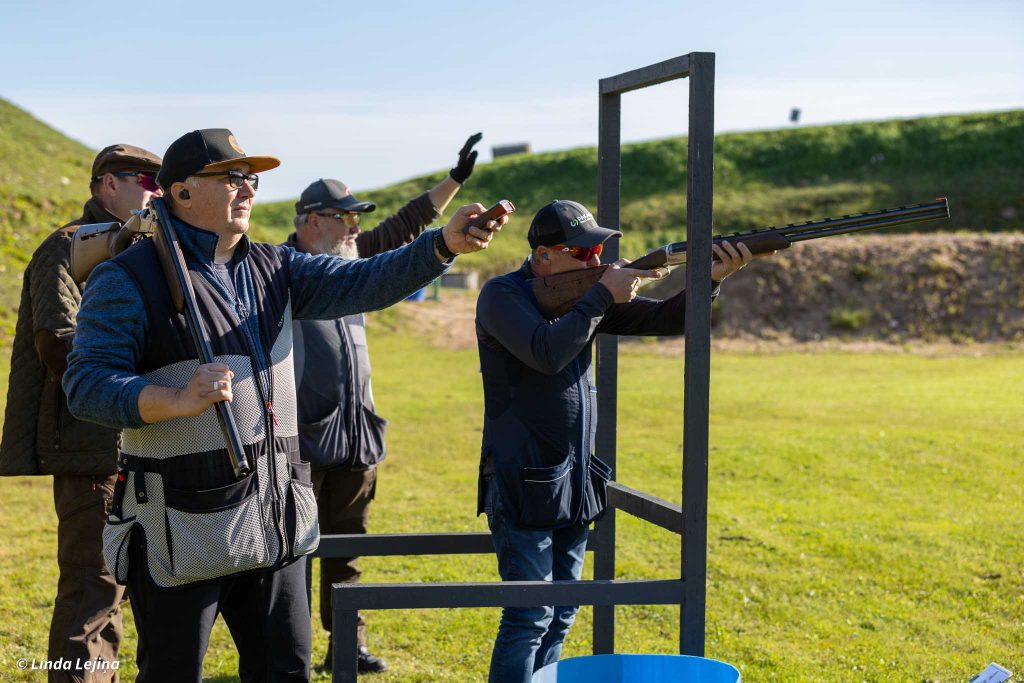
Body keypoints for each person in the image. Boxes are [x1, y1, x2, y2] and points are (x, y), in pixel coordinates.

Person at [62, 128, 505, 682]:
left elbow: (367, 278)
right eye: (231, 177)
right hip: (180, 524)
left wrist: (443, 245)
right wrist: (172, 399)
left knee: (286, 672)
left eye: (250, 178)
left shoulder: (276, 267)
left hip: (276, 518)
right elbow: (87, 385)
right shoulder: (125, 277)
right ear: (179, 192)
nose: (247, 189)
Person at [474, 200, 759, 682]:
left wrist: (710, 278)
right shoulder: (502, 296)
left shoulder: (580, 300)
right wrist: (602, 295)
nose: (595, 260)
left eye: (598, 250)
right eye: (582, 253)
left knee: (562, 612)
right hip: (521, 478)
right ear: (543, 256)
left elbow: (667, 318)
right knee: (529, 615)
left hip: (573, 477)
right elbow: (547, 352)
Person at [287, 133, 482, 673]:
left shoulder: (351, 259)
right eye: (343, 218)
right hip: (300, 438)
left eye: (355, 219)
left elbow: (404, 227)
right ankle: (291, 653)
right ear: (310, 220)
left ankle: (347, 647)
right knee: (296, 554)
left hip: (356, 434)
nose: (354, 228)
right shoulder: (280, 270)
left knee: (348, 551)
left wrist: (455, 182)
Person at [0, 144, 162, 682]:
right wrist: (142, 383)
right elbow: (58, 343)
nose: (158, 191)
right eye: (147, 179)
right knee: (92, 591)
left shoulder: (148, 247)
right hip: (94, 444)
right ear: (106, 185)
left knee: (145, 586)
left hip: (146, 436)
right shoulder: (67, 247)